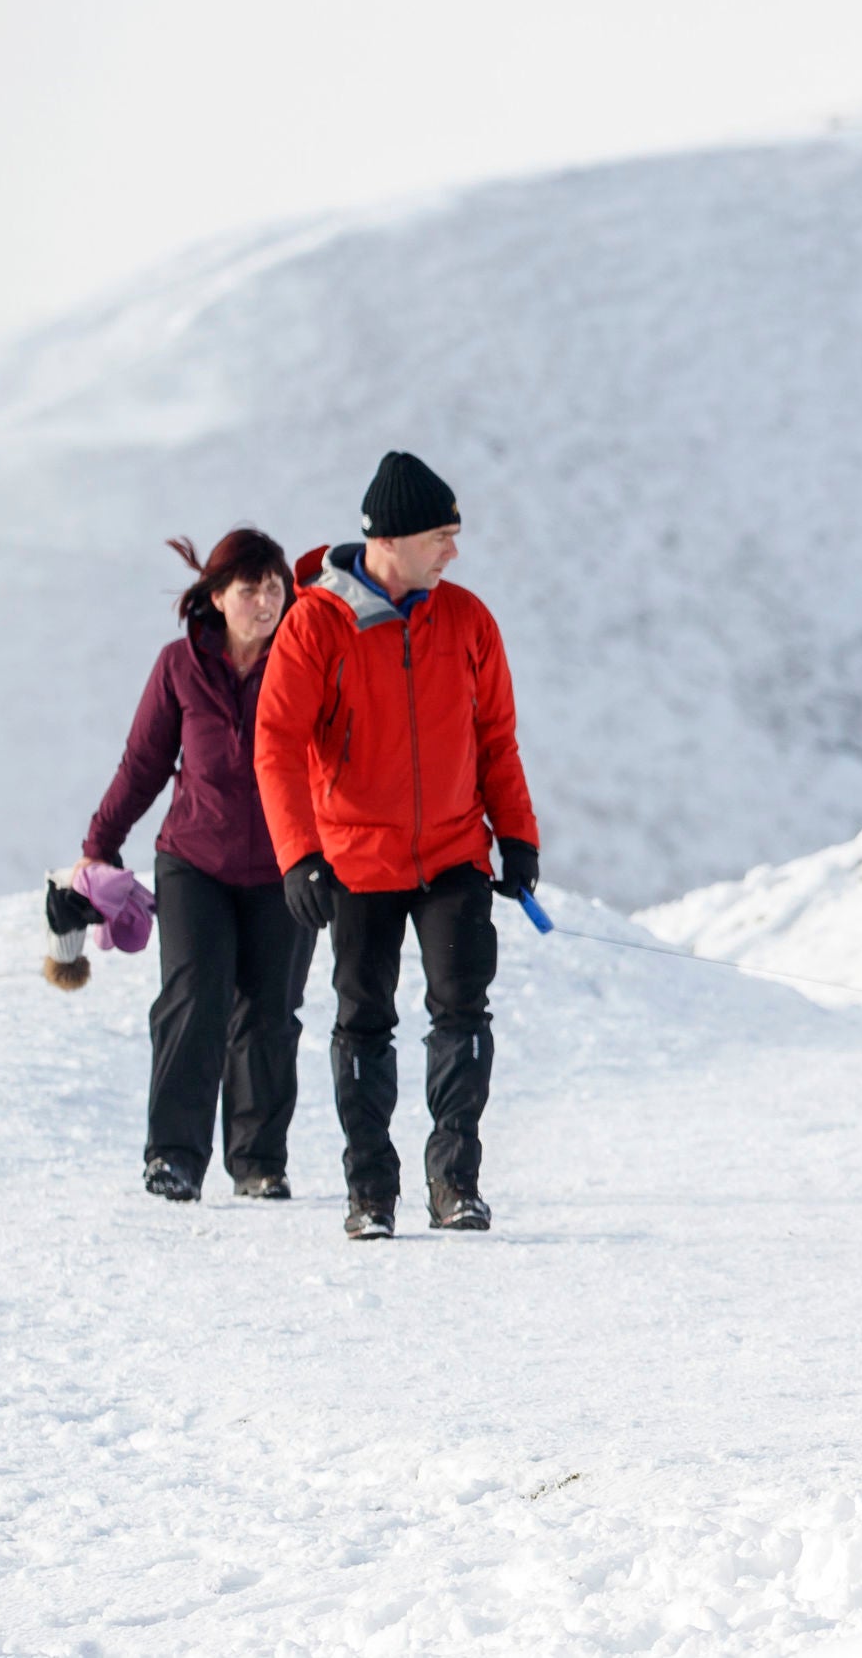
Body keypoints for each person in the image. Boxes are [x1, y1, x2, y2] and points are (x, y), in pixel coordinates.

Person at [252, 453, 540, 1239]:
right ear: (397, 538)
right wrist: (298, 855)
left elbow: (496, 738)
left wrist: (516, 833)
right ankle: (370, 1193)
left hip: (454, 854)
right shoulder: (316, 623)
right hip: (355, 860)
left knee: (462, 1011)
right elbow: (275, 744)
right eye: (443, 535)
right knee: (363, 1022)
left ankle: (456, 1183)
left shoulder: (468, 619)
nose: (454, 551)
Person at [78, 529, 306, 1202]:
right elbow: (143, 765)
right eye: (250, 589)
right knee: (194, 997)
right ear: (216, 595)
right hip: (193, 862)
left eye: (276, 588)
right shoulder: (178, 666)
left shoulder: (304, 660)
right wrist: (99, 846)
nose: (266, 602)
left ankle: (259, 1162)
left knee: (270, 1011)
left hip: (283, 867)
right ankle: (173, 1156)